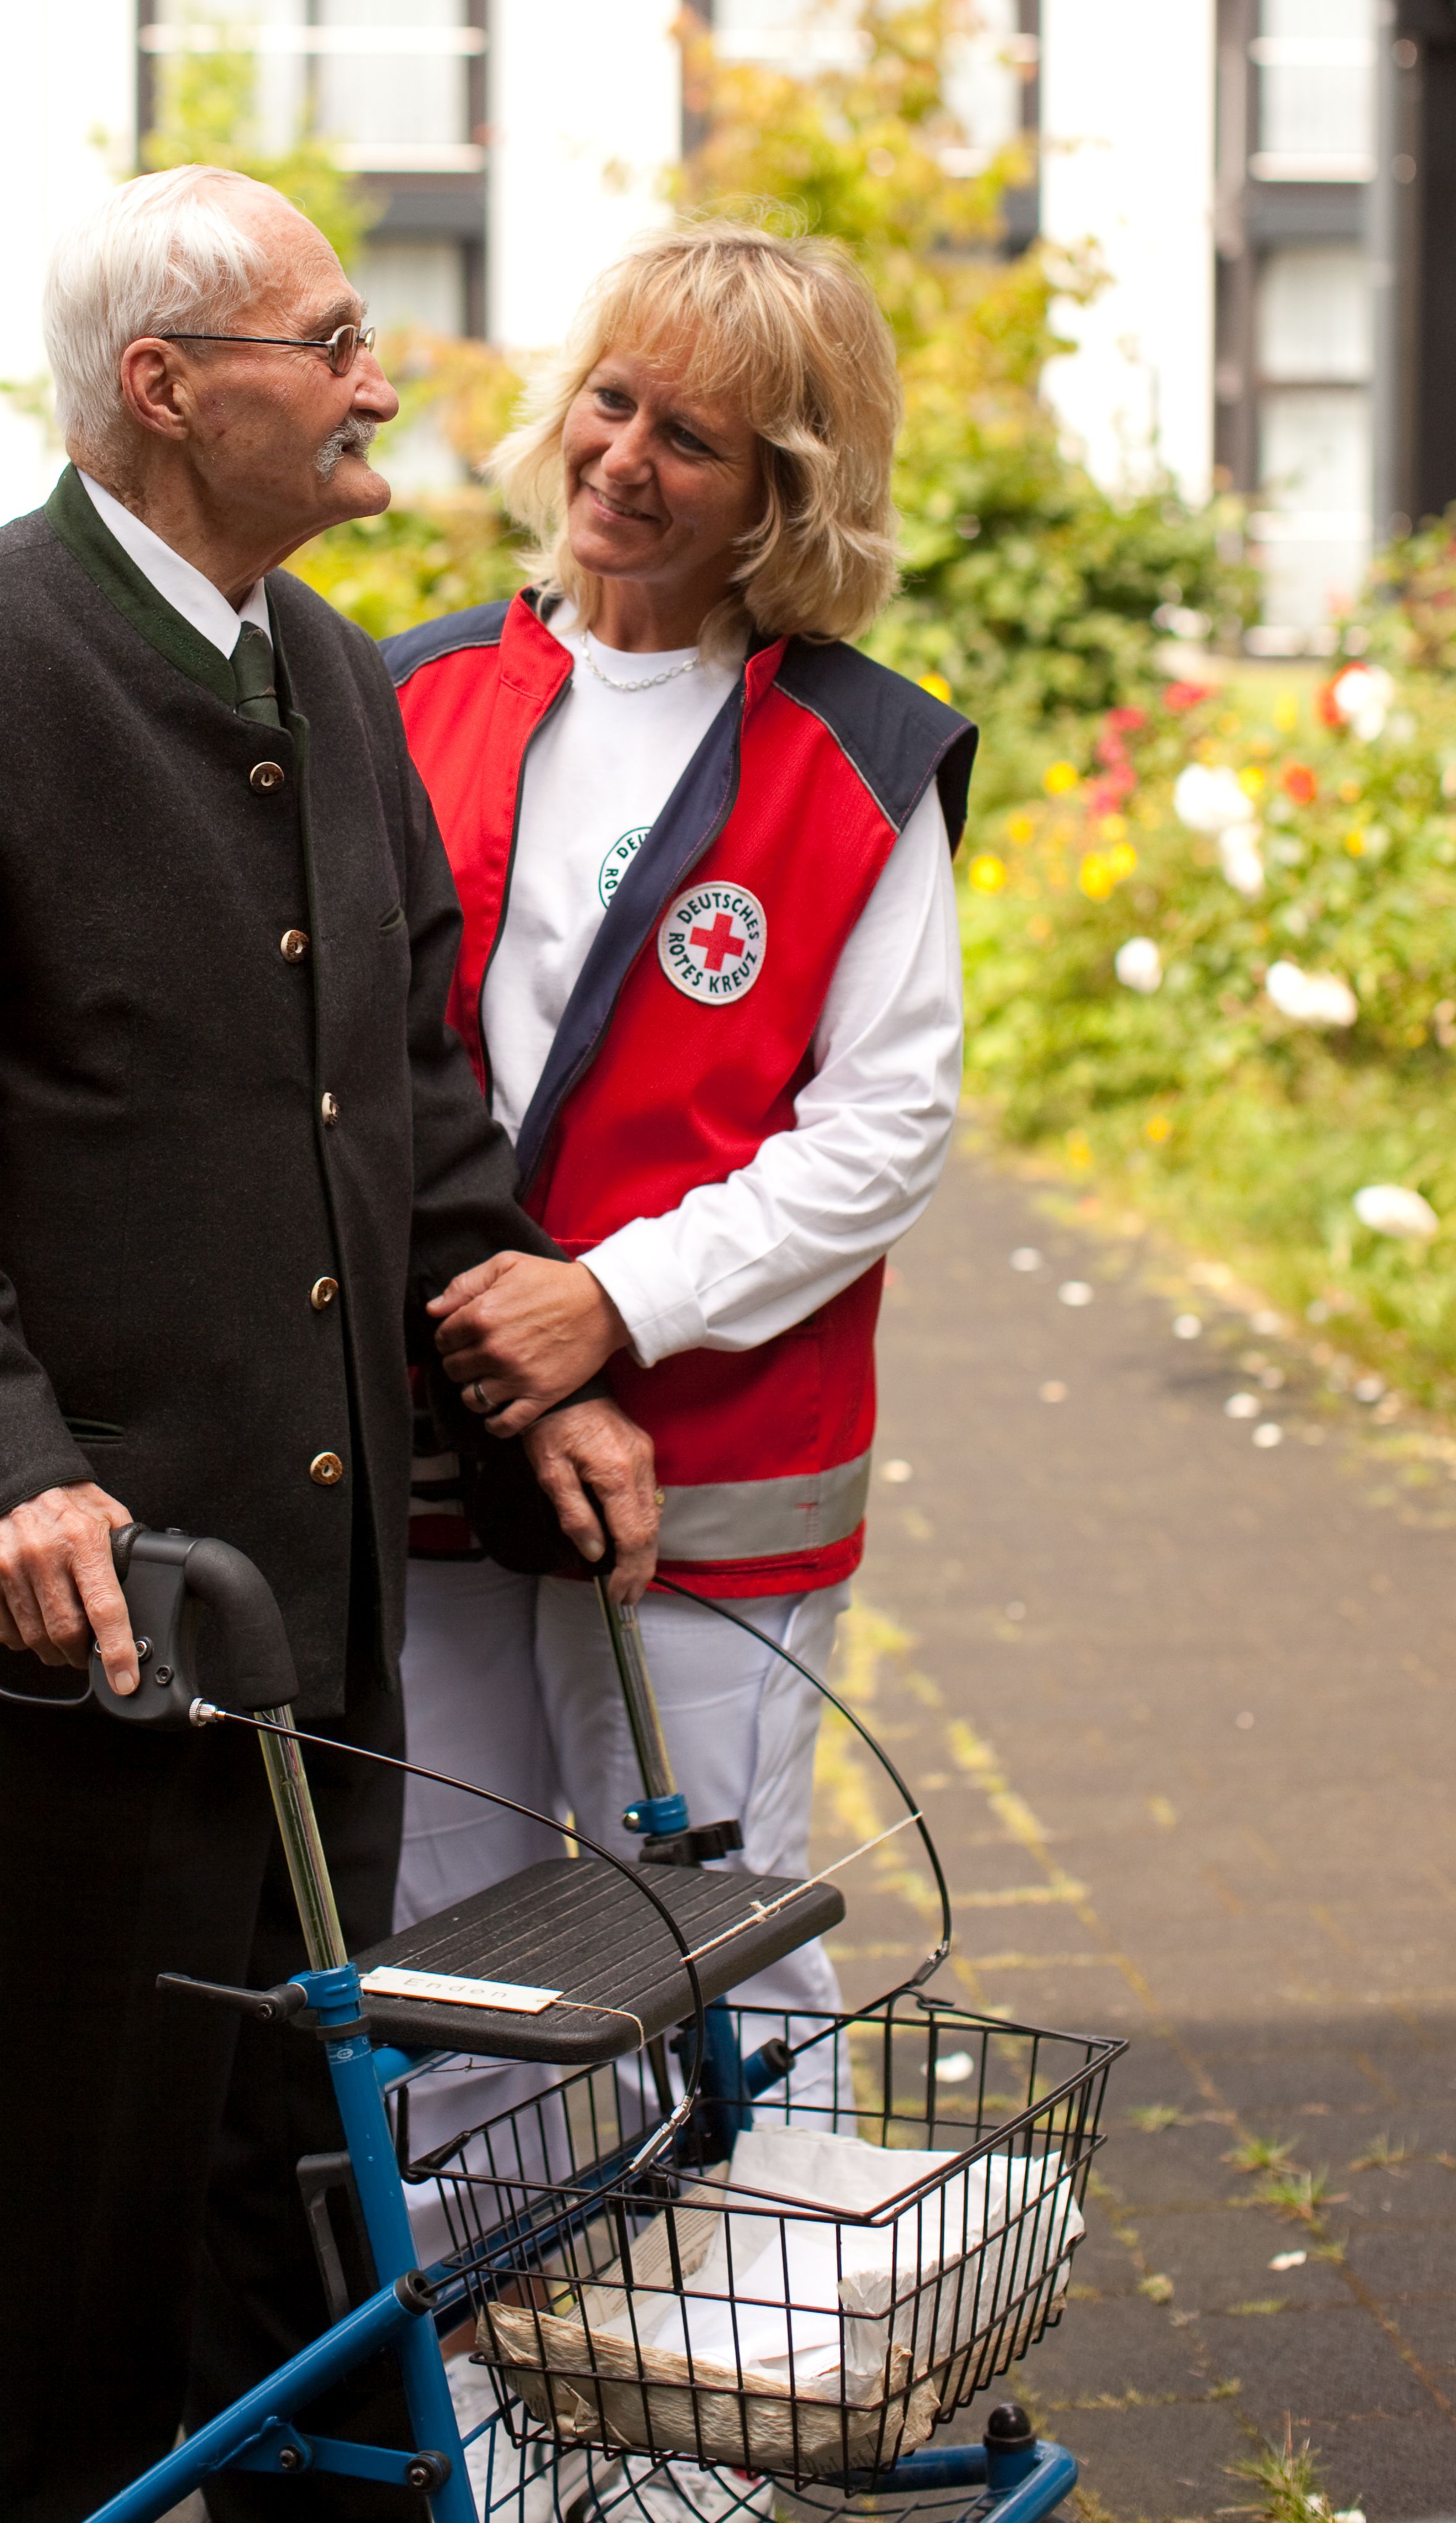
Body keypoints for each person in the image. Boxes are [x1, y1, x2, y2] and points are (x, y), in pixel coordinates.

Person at [0, 164, 656, 2523]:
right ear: (165, 388)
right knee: (62, 2222)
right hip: (55, 1624)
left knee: (299, 2173)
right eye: (330, 340)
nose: (379, 380)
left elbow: (412, 1095)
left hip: (306, 1597)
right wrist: (0, 1474)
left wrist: (537, 1374)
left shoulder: (332, 671)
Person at [383, 219, 974, 2017]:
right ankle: (500, 2234)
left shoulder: (857, 757)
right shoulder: (407, 699)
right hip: (435, 1437)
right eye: (613, 401)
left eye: (693, 439)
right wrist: (501, 1326)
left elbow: (884, 1129)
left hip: (713, 1467)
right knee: (453, 1970)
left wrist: (611, 1305)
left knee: (711, 1963)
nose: (624, 460)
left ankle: (755, 2232)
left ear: (786, 494)